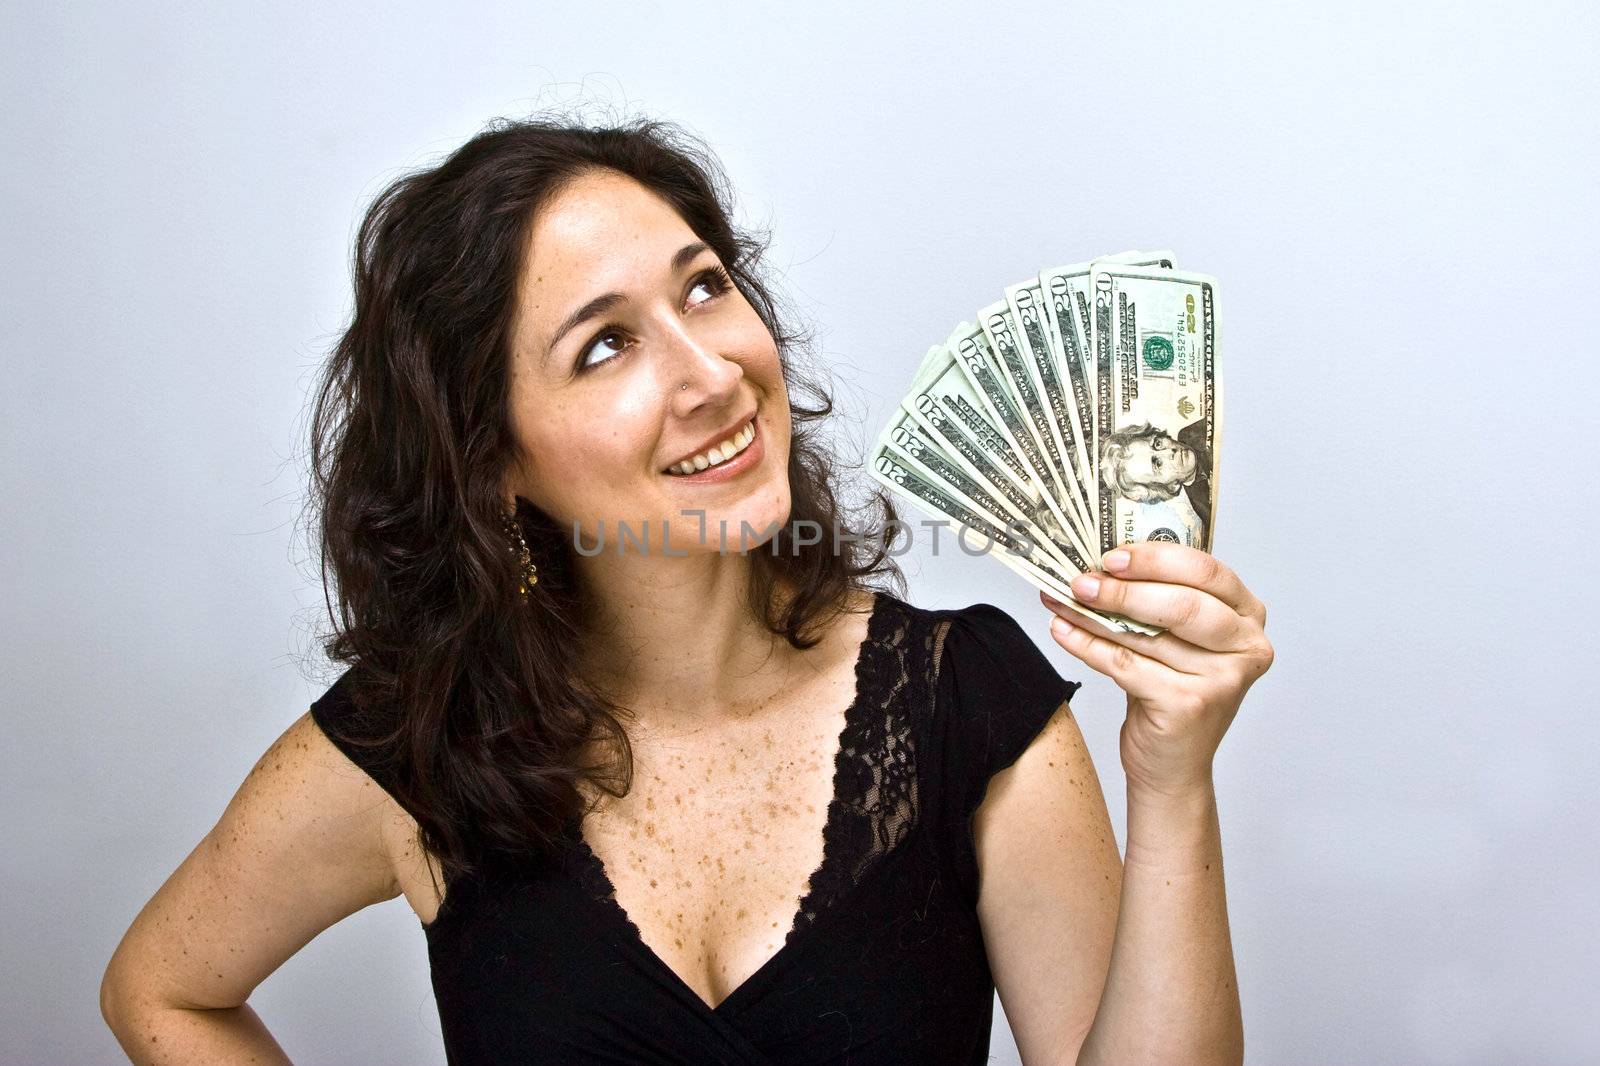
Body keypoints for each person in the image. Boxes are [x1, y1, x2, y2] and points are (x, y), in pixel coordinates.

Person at [99, 114, 1274, 1065]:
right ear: (492, 458)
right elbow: (162, 991)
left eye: (704, 287)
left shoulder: (966, 700)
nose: (713, 370)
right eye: (604, 345)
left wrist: (1171, 779)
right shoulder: (418, 745)